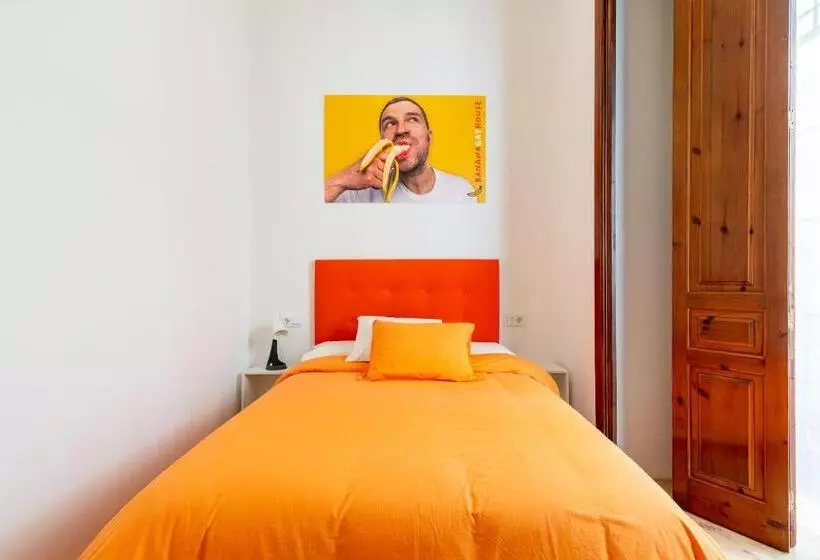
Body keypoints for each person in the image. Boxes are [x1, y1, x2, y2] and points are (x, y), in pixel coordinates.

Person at [325, 97, 476, 203]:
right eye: (390, 123)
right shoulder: (357, 194)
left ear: (429, 137)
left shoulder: (462, 191)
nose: (400, 130)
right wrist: (345, 178)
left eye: (412, 119)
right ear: (382, 143)